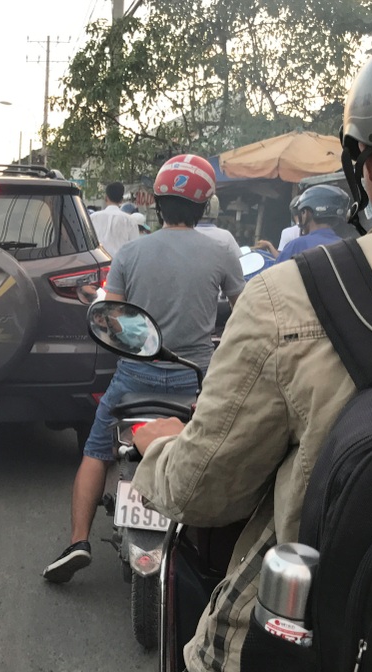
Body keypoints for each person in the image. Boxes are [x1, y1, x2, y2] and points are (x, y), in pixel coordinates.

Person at [126, 19, 372, 671]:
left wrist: (158, 450)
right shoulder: (231, 253)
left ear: (371, 163)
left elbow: (204, 490)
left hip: (321, 636)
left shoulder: (295, 291)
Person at [42, 154, 245, 583]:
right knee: (217, 452)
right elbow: (244, 311)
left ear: (156, 201)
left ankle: (78, 540)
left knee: (97, 451)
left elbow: (111, 314)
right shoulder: (221, 252)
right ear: (204, 204)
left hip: (135, 378)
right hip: (195, 382)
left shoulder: (131, 253)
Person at [273, 184, 350, 263]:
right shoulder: (348, 248)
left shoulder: (296, 246)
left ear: (306, 213)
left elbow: (277, 273)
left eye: (302, 212)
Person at [90, 181, 139, 256]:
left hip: (98, 263)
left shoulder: (93, 217)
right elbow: (134, 249)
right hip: (121, 265)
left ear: (106, 198)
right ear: (121, 200)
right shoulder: (130, 221)